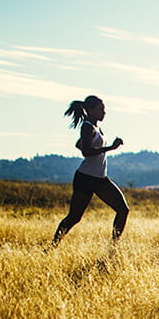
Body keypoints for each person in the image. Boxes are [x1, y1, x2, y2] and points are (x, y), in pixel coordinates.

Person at [51, 95, 129, 246]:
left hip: (99, 178)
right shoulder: (87, 126)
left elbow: (79, 144)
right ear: (90, 110)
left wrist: (99, 148)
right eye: (100, 109)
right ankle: (52, 247)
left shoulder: (95, 127)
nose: (104, 113)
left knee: (123, 209)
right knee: (74, 217)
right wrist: (111, 148)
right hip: (86, 178)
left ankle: (113, 247)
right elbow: (86, 151)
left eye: (104, 110)